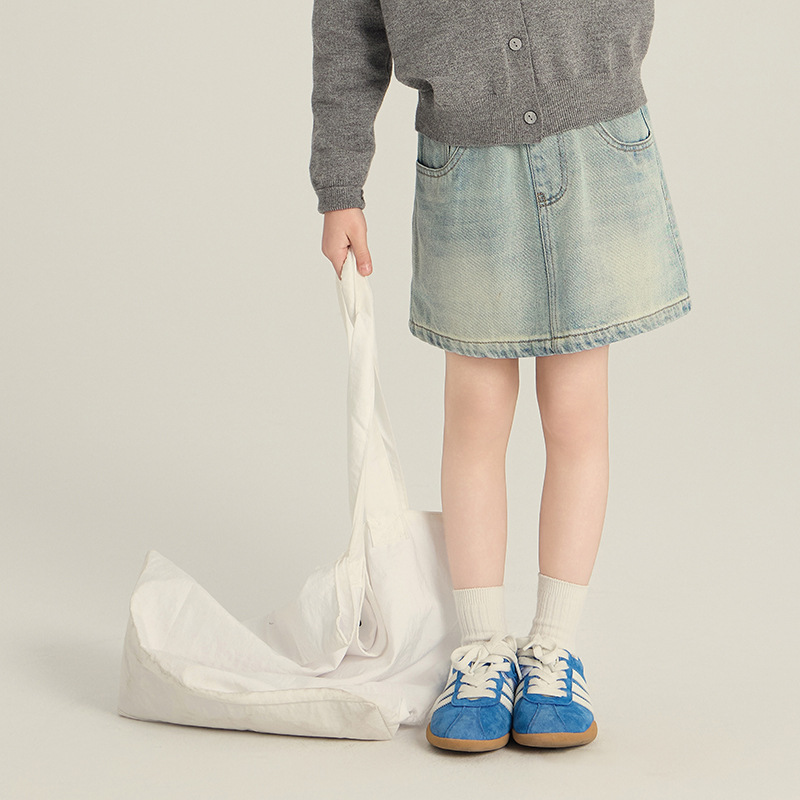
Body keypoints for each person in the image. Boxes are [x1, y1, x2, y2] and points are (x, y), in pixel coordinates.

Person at [309, 0, 691, 752]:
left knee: (576, 412)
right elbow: (347, 27)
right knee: (475, 415)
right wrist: (341, 184)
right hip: (467, 162)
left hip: (595, 140)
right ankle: (480, 649)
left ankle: (554, 649)